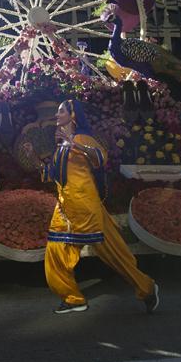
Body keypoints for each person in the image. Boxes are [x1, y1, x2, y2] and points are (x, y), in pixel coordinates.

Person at [23, 99, 159, 314]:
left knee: (113, 253)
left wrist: (73, 143)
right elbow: (53, 175)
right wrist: (32, 157)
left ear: (73, 115)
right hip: (65, 208)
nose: (56, 116)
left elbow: (100, 158)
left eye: (60, 112)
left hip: (87, 208)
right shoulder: (60, 146)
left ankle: (147, 287)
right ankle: (73, 298)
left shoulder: (82, 138)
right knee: (55, 253)